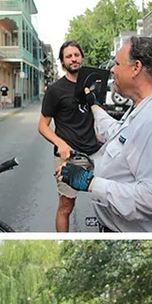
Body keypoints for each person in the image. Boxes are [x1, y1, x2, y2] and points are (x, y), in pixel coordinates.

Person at [58, 36, 152, 232]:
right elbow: (118, 134)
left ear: (136, 68)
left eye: (117, 64)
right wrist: (94, 106)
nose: (112, 70)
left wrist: (92, 183)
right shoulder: (143, 106)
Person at [39, 41, 104, 232]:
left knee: (107, 202)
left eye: (76, 55)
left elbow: (96, 113)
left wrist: (98, 132)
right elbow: (43, 126)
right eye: (69, 56)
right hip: (70, 156)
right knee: (66, 207)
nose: (73, 59)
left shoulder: (93, 85)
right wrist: (60, 144)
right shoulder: (55, 90)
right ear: (62, 62)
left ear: (82, 58)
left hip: (96, 153)